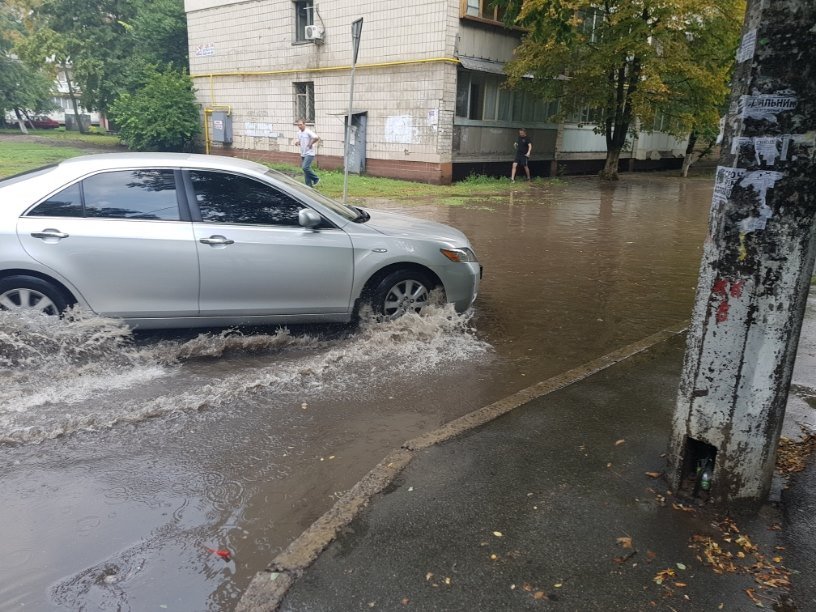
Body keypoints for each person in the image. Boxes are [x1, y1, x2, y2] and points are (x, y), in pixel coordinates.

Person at [295, 119, 320, 187]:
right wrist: (297, 142)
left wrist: (311, 143)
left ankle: (316, 179)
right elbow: (300, 140)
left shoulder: (308, 131)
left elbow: (316, 138)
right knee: (306, 171)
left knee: (305, 167)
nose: (299, 126)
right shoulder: (298, 133)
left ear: (304, 124)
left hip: (309, 153)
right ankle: (308, 186)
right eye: (298, 125)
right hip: (303, 153)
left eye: (301, 125)